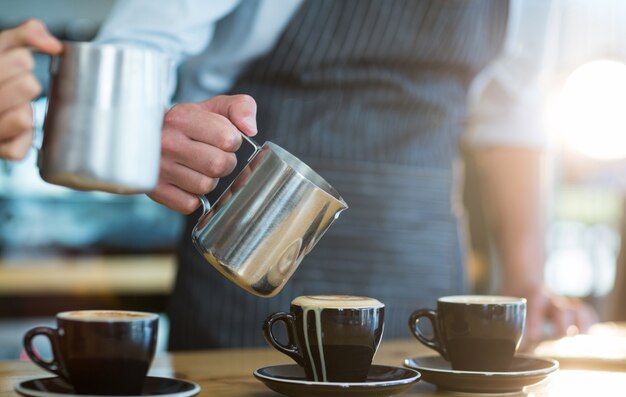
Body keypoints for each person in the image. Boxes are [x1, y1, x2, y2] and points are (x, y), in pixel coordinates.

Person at [0, 1, 597, 350]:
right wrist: (138, 125)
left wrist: (525, 277)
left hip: (420, 256)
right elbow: (143, 42)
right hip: (248, 250)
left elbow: (511, 122)